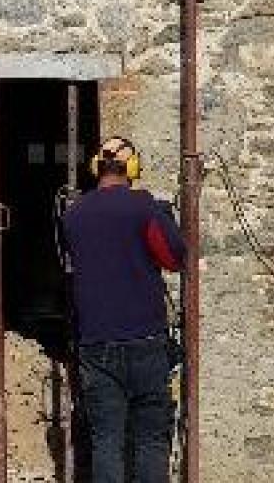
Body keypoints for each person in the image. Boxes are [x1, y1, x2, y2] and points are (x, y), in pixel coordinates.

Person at [63, 137, 186, 483]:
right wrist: (163, 213)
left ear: (95, 167)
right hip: (146, 342)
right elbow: (175, 258)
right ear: (132, 169)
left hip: (95, 344)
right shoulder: (144, 208)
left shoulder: (73, 216)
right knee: (150, 439)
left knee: (107, 442)